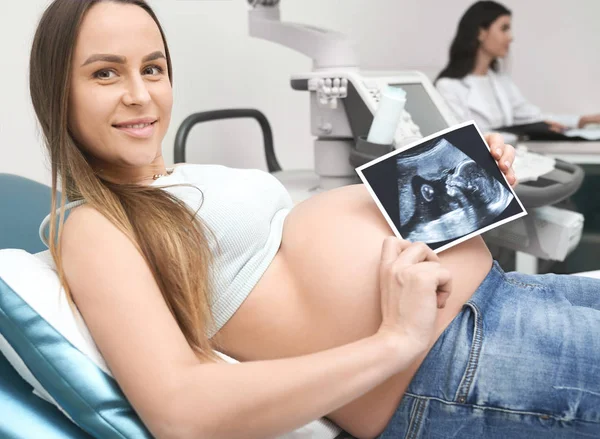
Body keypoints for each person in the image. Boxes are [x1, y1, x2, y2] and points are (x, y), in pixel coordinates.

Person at [29, 0, 600, 438]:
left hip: (508, 300)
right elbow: (183, 409)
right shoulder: (91, 224)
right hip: (456, 363)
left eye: (152, 69)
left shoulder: (179, 177)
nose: (139, 95)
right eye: (106, 74)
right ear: (58, 92)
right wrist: (395, 340)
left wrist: (464, 181)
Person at [435, 1, 600, 136]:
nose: (511, 37)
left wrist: (584, 120)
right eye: (504, 28)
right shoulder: (448, 87)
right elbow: (463, 139)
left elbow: (534, 117)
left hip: (513, 159)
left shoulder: (501, 81)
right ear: (481, 32)